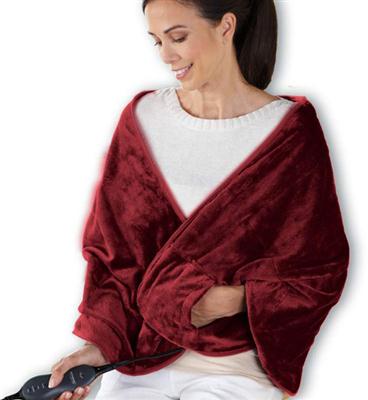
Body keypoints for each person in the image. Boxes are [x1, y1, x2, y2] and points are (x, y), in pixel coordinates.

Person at [49, 0, 295, 398]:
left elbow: (317, 268)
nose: (166, 55)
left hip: (234, 364)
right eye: (157, 41)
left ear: (226, 27)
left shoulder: (288, 131)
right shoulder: (142, 118)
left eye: (177, 37)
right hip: (140, 358)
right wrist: (98, 347)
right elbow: (113, 256)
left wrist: (236, 300)